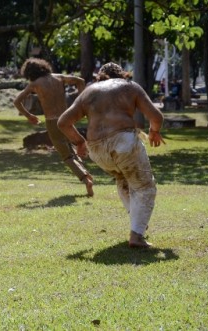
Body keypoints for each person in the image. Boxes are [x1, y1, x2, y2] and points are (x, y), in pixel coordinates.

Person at [57, 62, 165, 248]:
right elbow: (156, 116)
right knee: (146, 187)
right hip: (123, 142)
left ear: (100, 76)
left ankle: (137, 223)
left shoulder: (89, 92)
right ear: (122, 75)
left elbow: (63, 122)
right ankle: (137, 236)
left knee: (123, 179)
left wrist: (80, 142)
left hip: (97, 150)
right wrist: (154, 131)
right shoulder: (130, 87)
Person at [13, 58, 94, 196]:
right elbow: (80, 81)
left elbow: (17, 101)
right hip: (67, 118)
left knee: (66, 156)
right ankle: (84, 165)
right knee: (72, 149)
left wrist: (29, 116)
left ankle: (85, 179)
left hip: (52, 122)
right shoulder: (59, 77)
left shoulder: (34, 84)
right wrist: (82, 102)